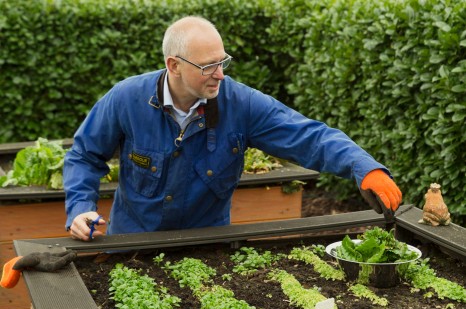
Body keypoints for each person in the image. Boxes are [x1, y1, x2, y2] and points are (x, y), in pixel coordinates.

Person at [64, 16, 402, 241]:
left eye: (222, 62)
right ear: (174, 66)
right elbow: (84, 155)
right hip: (130, 246)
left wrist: (364, 167)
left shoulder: (241, 104)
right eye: (208, 66)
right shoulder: (126, 99)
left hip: (208, 247)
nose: (220, 75)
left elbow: (309, 136)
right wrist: (81, 208)